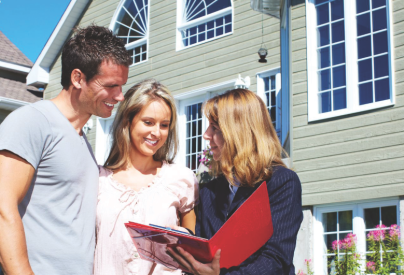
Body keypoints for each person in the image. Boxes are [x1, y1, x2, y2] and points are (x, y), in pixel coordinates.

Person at [0, 25, 131, 275]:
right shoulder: (31, 121)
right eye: (111, 86)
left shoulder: (84, 143)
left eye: (122, 86)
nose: (120, 97)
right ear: (78, 78)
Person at [168, 89, 303, 275]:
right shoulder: (209, 190)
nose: (206, 135)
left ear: (239, 132)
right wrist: (182, 240)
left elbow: (275, 260)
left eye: (214, 128)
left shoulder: (281, 182)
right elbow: (207, 248)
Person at [94, 79, 199, 275]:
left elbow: (191, 255)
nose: (156, 133)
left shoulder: (181, 179)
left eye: (164, 125)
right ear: (128, 120)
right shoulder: (97, 180)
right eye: (148, 122)